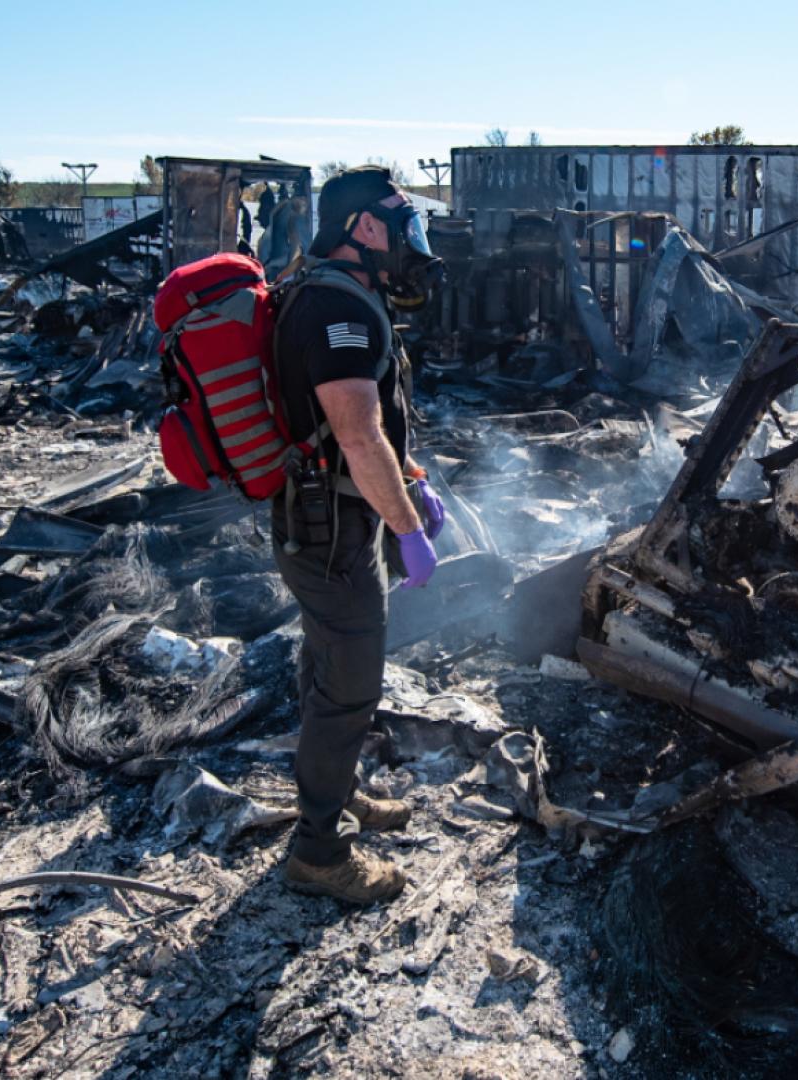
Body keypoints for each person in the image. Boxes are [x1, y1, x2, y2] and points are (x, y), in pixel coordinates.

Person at [270, 165, 449, 904]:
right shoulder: (333, 310)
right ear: (364, 230)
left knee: (330, 672)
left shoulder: (344, 296)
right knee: (347, 687)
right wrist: (407, 528)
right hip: (328, 531)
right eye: (404, 225)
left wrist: (410, 480)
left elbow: (372, 422)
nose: (415, 241)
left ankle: (335, 795)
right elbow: (354, 433)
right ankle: (318, 852)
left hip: (335, 521)